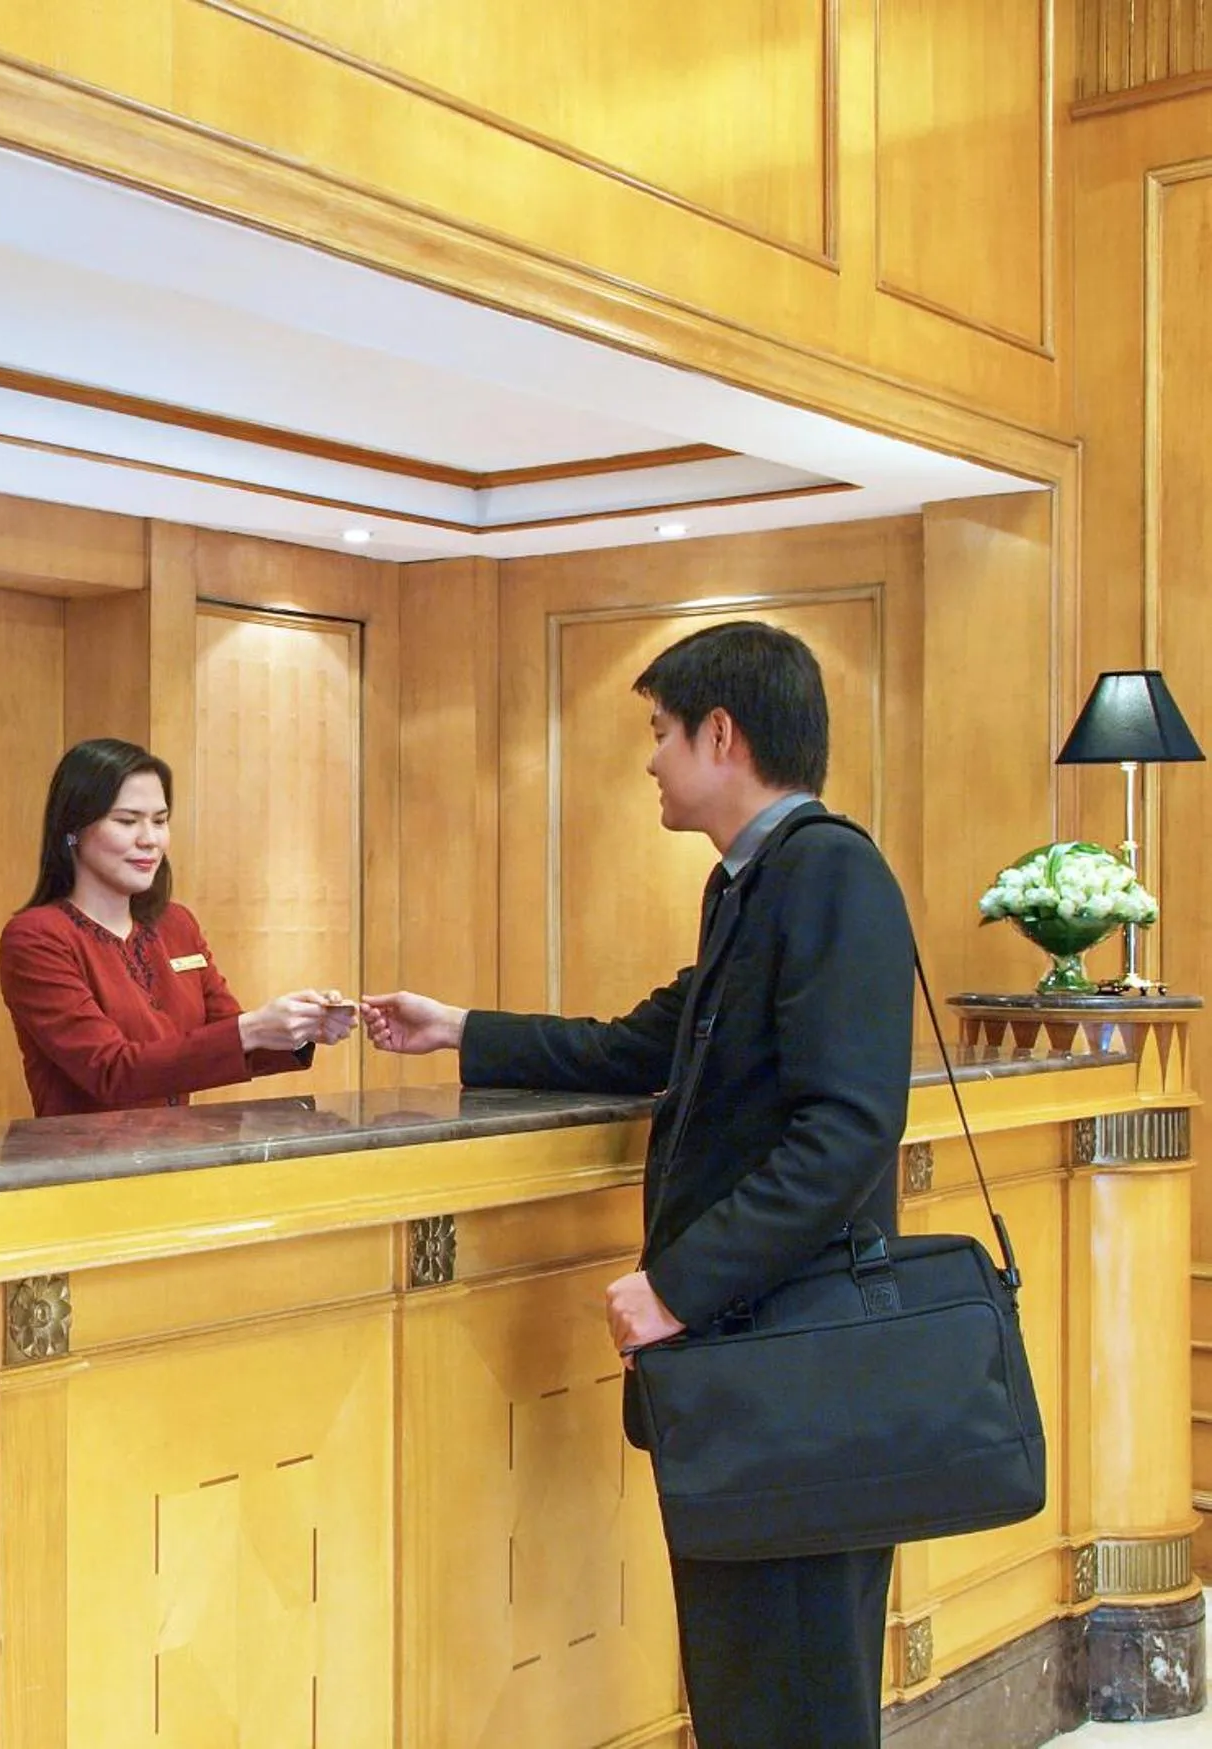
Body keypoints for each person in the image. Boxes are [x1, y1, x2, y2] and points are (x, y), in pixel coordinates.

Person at [361, 621, 913, 1749]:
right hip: (752, 1371)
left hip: (800, 1373)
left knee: (796, 1686)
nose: (651, 759)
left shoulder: (831, 873)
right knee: (743, 1679)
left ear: (722, 734)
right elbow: (640, 1044)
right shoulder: (748, 883)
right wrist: (459, 1028)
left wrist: (677, 1286)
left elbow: (847, 1128)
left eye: (661, 732)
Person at [0, 737, 352, 1117]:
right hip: (84, 1154)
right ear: (73, 829)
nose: (150, 840)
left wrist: (299, 1027)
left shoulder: (176, 925)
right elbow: (110, 1070)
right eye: (127, 821)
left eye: (160, 821)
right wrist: (251, 1029)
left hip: (179, 1150)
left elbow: (225, 1036)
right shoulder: (36, 937)